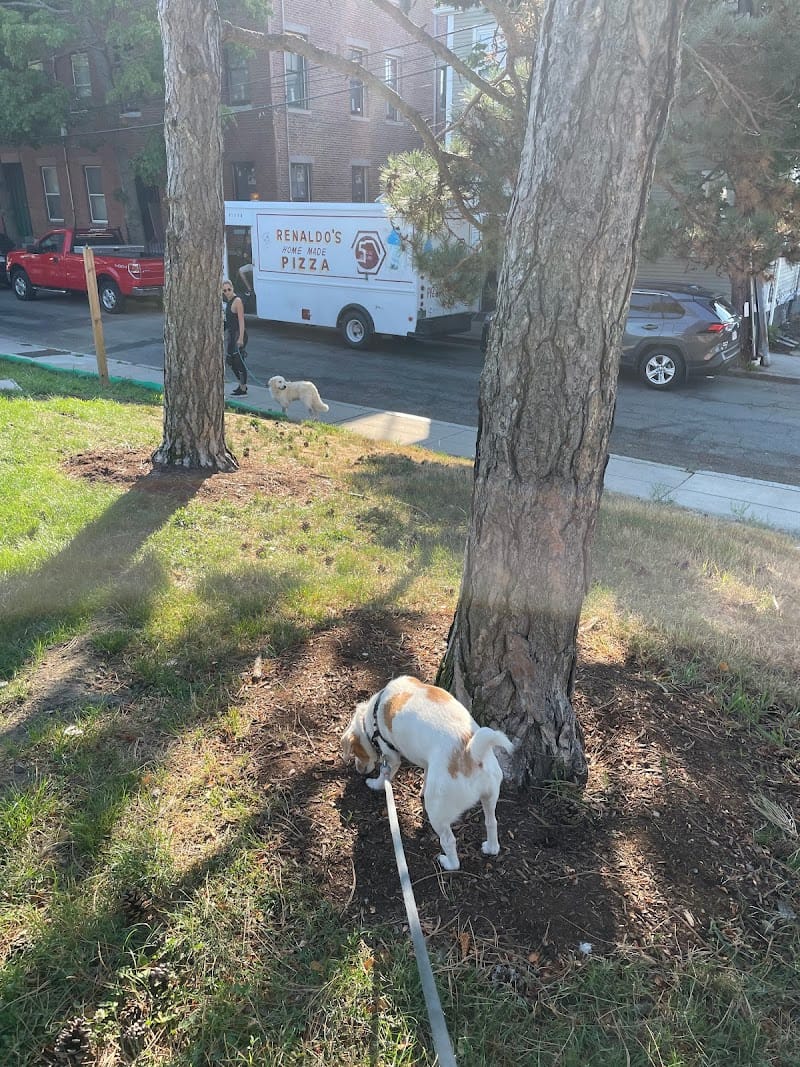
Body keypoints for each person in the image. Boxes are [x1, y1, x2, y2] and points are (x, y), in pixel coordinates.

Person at [222, 279, 248, 396]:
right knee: (230, 361)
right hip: (231, 336)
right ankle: (241, 384)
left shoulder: (237, 301)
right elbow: (228, 322)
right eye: (225, 290)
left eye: (229, 289)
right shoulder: (228, 302)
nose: (227, 292)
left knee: (238, 361)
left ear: (232, 288)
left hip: (239, 335)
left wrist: (241, 338)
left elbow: (241, 321)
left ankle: (243, 388)